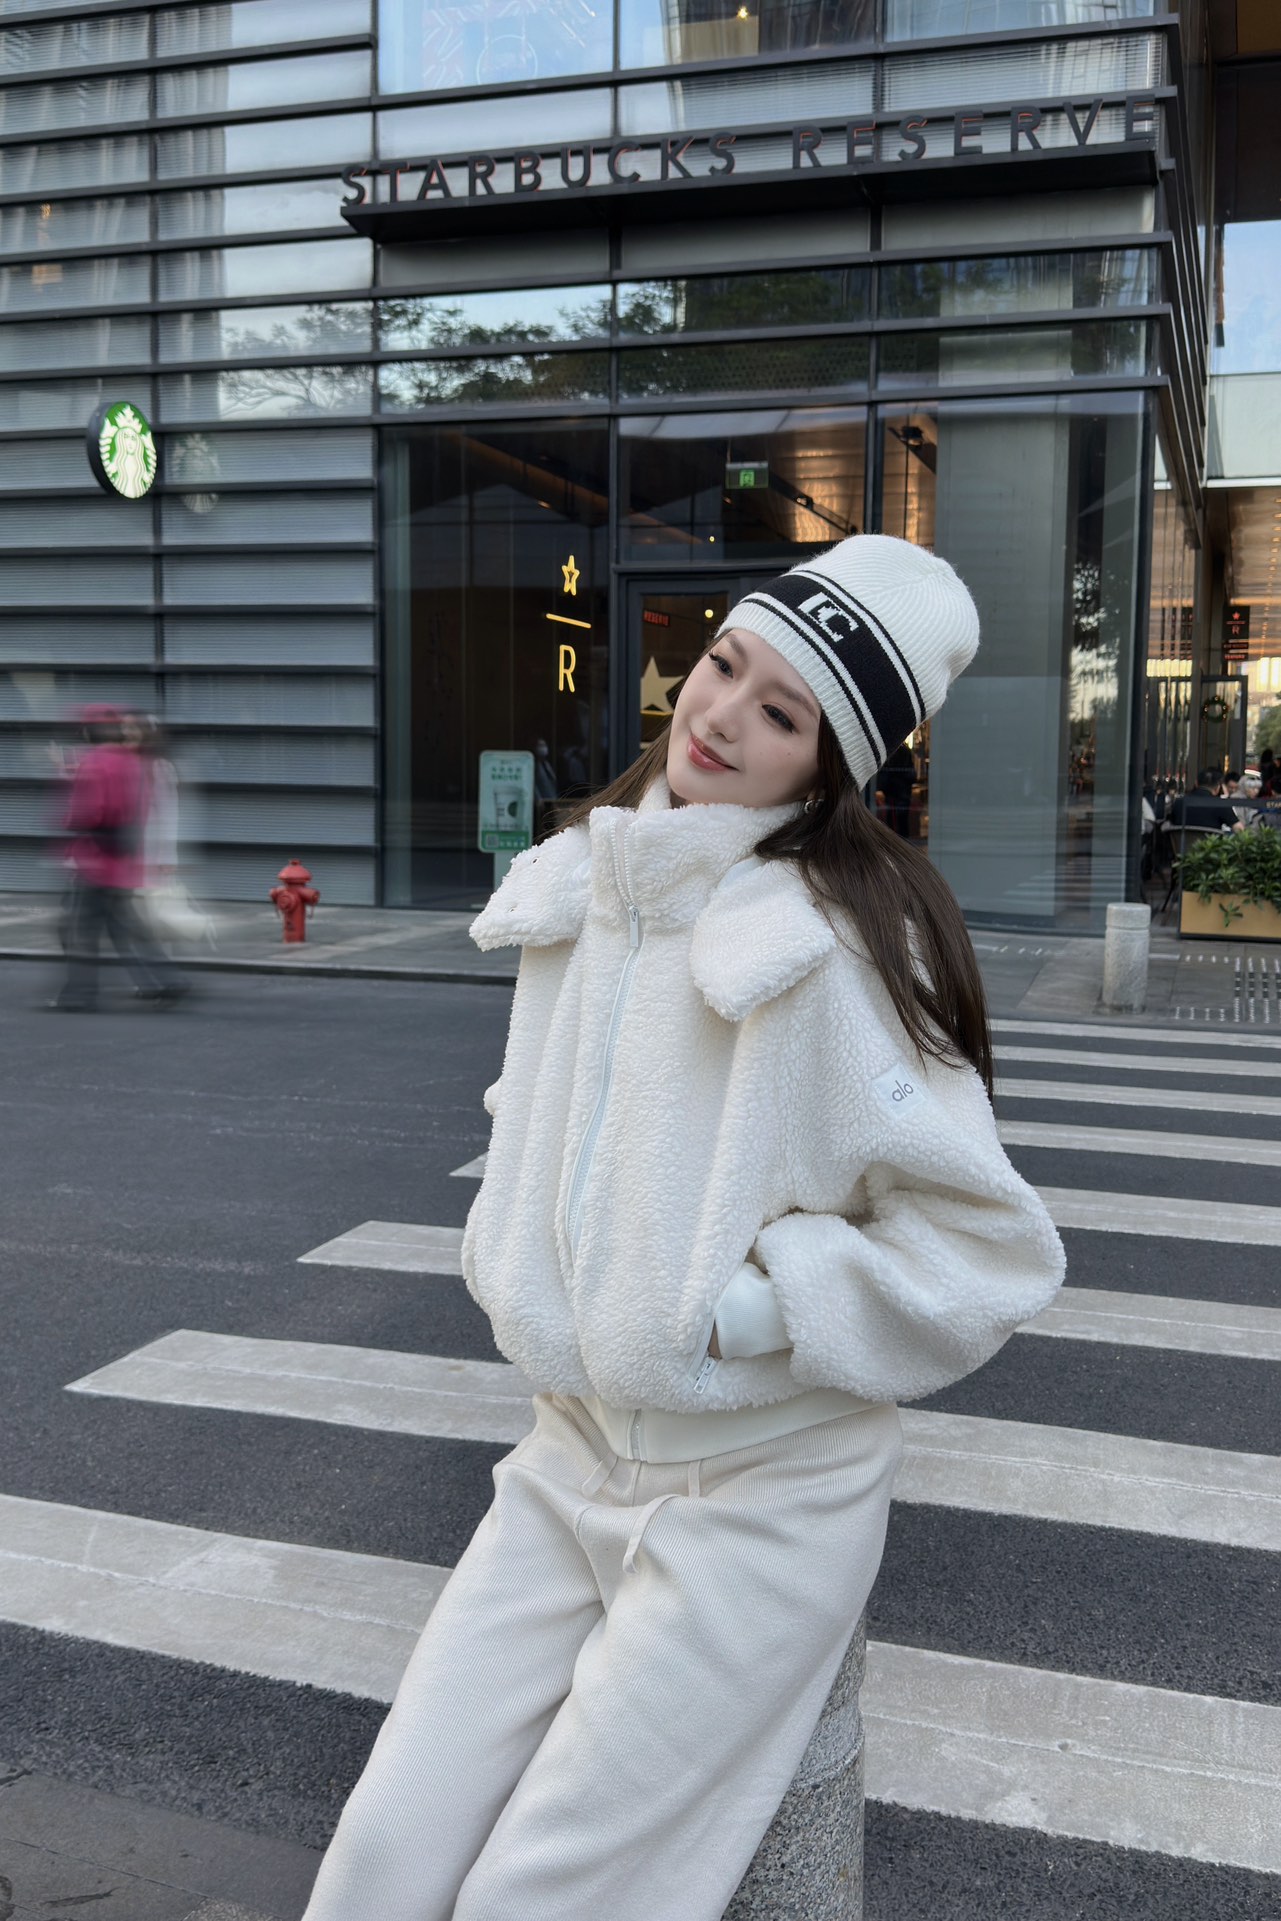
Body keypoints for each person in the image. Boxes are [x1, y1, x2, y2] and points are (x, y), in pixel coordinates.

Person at [300, 536, 1066, 1921]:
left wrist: (750, 1307)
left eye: (782, 712)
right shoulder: (579, 886)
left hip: (762, 1488)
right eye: (723, 666)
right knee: (379, 1862)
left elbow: (987, 1251)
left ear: (827, 766)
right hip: (569, 1447)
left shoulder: (837, 943)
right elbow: (549, 1116)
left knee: (543, 1900)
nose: (719, 716)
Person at [52, 706, 182, 1011]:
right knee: (125, 926)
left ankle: (78, 995)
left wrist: (69, 820)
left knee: (80, 930)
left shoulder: (94, 762)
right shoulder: (132, 762)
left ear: (89, 731)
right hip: (123, 860)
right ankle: (166, 980)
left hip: (96, 861)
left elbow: (88, 812)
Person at [1166, 767, 1243, 833]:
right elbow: (1239, 829)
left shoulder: (1179, 802)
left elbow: (1169, 825)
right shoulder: (1220, 804)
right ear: (1218, 787)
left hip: (1182, 845)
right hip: (1209, 846)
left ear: (1196, 783)